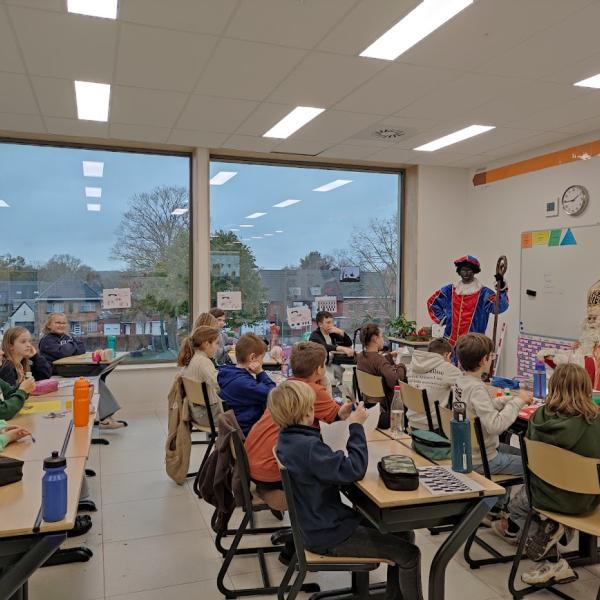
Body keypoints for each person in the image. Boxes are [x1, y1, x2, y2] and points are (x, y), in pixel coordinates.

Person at [274, 380, 423, 600]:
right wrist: (355, 427)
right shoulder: (308, 447)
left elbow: (320, 458)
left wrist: (340, 418)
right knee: (410, 554)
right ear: (307, 411)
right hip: (329, 533)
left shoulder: (288, 439)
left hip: (315, 524)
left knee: (404, 533)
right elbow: (355, 470)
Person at [495, 364, 599, 585]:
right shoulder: (595, 422)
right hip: (585, 501)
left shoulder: (538, 418)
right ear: (587, 388)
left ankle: (553, 556)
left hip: (541, 495)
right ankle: (560, 532)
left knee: (516, 508)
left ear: (552, 386)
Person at [245, 342, 353, 512]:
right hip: (273, 471)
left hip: (253, 463)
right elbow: (336, 420)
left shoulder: (288, 387)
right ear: (318, 369)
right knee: (330, 468)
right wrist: (325, 385)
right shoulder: (311, 391)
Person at [454, 333, 533, 477]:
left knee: (525, 453)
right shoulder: (477, 388)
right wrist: (517, 402)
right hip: (483, 459)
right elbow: (495, 426)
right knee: (537, 466)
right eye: (491, 356)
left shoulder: (462, 381)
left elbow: (477, 409)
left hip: (468, 451)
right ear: (484, 359)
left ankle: (506, 493)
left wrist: (506, 400)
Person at [39, 312, 124, 430]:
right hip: (58, 372)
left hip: (69, 368)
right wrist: (72, 345)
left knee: (100, 372)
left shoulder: (67, 337)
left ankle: (103, 416)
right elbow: (64, 352)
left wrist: (70, 345)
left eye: (63, 323)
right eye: (57, 322)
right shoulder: (46, 341)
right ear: (49, 325)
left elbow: (81, 348)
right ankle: (106, 418)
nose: (61, 325)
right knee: (96, 377)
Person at [427, 255, 509, 347]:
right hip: (451, 343)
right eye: (463, 270)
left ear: (474, 271)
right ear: (459, 271)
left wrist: (501, 288)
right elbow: (432, 303)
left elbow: (499, 307)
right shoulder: (450, 290)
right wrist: (445, 319)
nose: (466, 273)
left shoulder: (484, 293)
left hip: (474, 345)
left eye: (469, 270)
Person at [537, 279, 600, 388]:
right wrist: (552, 355)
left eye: (595, 318)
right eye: (589, 318)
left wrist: (561, 358)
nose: (590, 322)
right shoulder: (586, 341)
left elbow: (585, 366)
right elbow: (576, 358)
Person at [217, 333, 275, 435]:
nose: (262, 362)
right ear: (252, 358)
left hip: (238, 425)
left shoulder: (228, 373)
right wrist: (260, 372)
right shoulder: (244, 384)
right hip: (250, 431)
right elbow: (274, 394)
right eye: (261, 358)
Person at [356, 323, 406, 428]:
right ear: (375, 338)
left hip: (369, 406)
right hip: (384, 411)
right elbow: (395, 381)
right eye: (382, 336)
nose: (383, 339)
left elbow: (374, 364)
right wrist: (401, 365)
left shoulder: (360, 356)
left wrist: (389, 357)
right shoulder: (379, 360)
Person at [407, 337, 461, 430]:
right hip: (435, 426)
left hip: (412, 422)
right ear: (447, 355)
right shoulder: (447, 368)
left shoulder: (413, 365)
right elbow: (467, 383)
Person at [177, 326, 223, 426]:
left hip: (195, 413)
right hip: (209, 416)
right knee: (245, 412)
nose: (218, 347)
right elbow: (219, 385)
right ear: (206, 344)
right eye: (216, 343)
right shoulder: (203, 362)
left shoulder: (192, 358)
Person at [309, 311, 353, 392]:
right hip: (321, 366)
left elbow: (349, 343)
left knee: (348, 375)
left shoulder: (332, 333)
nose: (331, 325)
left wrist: (341, 332)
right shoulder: (314, 336)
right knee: (329, 381)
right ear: (320, 324)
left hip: (332, 363)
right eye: (328, 322)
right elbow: (325, 346)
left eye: (332, 322)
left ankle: (346, 395)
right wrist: (342, 348)